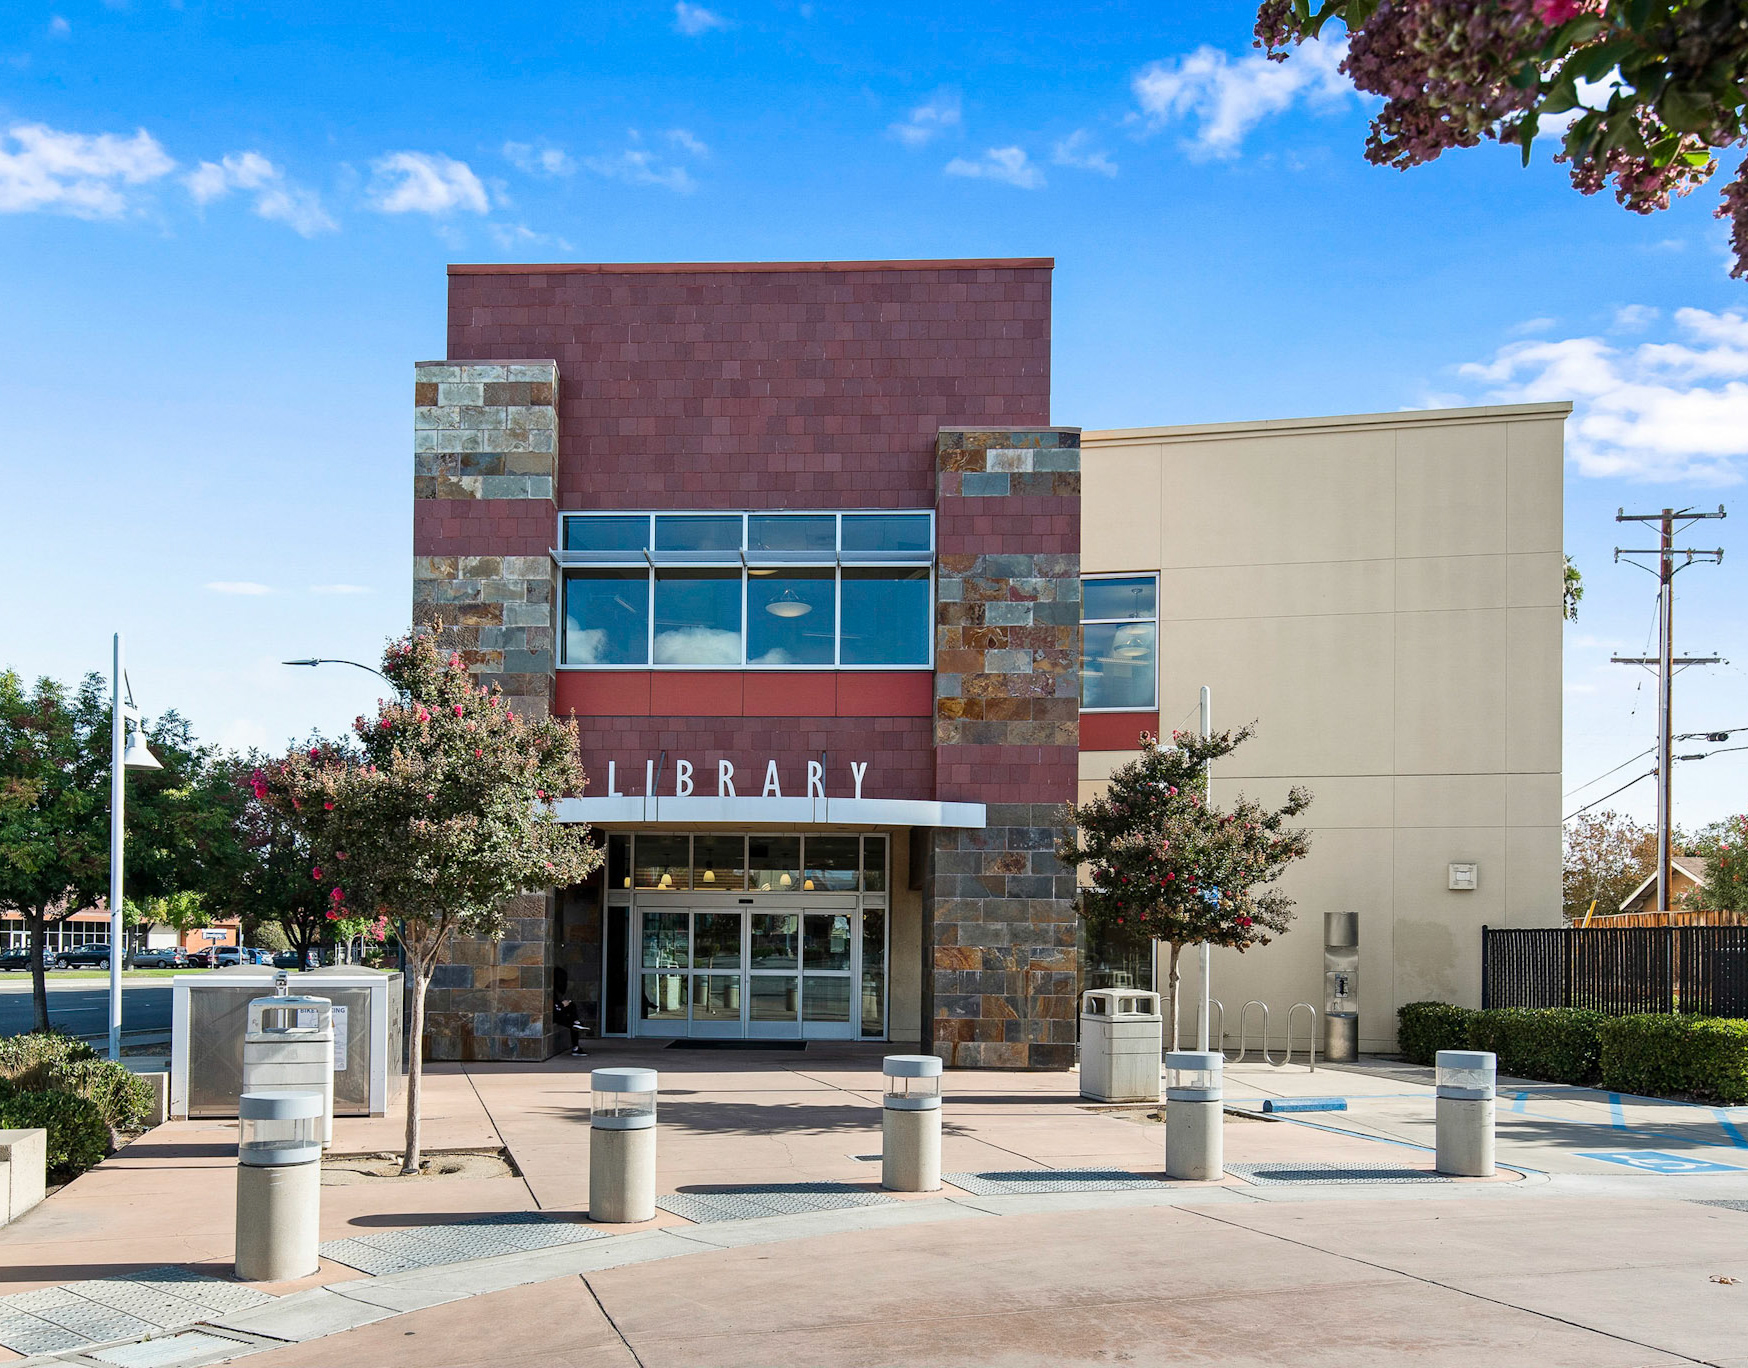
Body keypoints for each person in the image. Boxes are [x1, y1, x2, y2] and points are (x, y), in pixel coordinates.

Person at [553, 967, 587, 1057]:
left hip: (558, 1012)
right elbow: (553, 1008)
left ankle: (576, 1023)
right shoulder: (551, 991)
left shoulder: (555, 991)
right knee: (573, 1024)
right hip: (555, 1015)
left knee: (571, 1006)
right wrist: (562, 1005)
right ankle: (575, 1023)